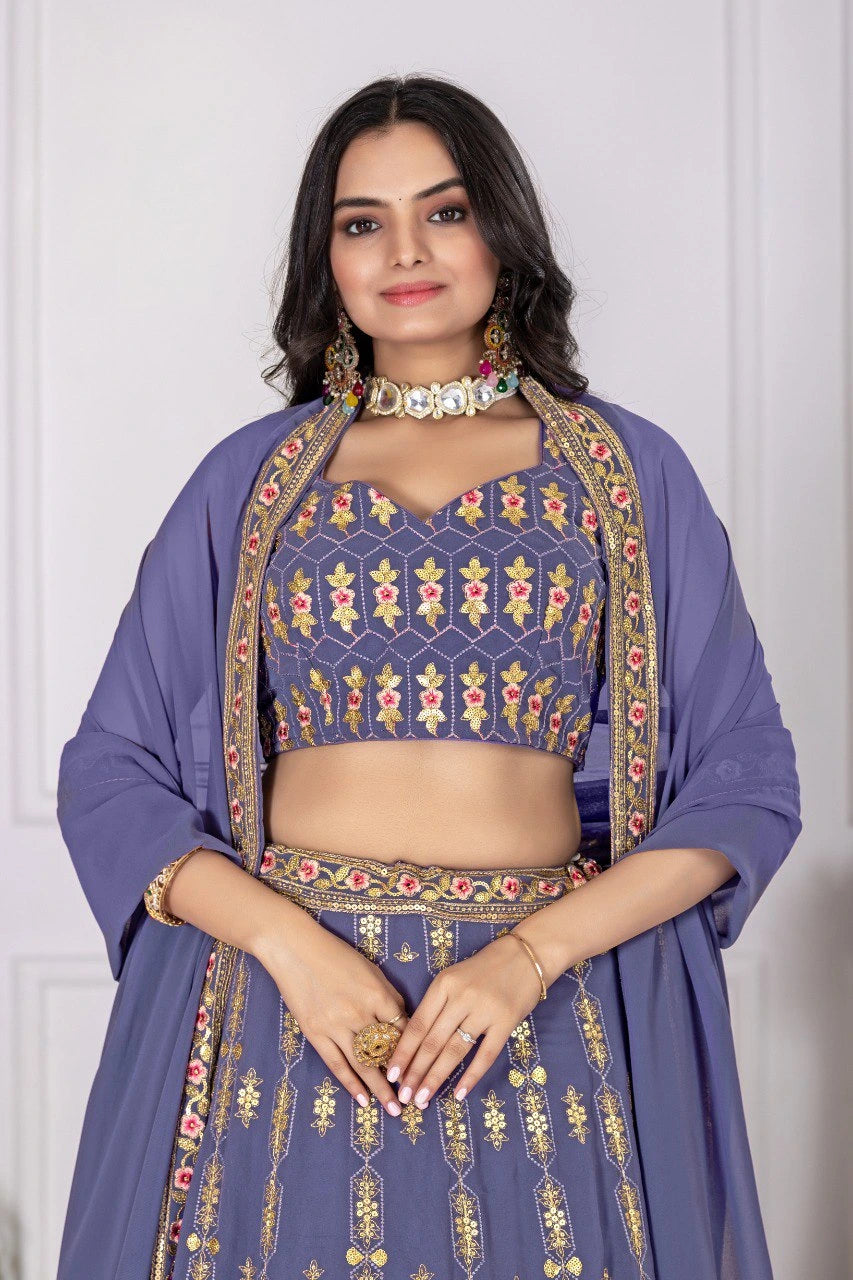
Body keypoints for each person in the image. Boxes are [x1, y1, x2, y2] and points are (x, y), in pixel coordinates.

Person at [55, 75, 801, 1280]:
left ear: (501, 230)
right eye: (361, 222)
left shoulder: (622, 472)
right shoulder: (253, 483)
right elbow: (111, 771)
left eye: (442, 211)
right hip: (282, 1015)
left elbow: (745, 782)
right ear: (326, 254)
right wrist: (291, 949)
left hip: (537, 1017)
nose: (404, 251)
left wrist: (527, 956)